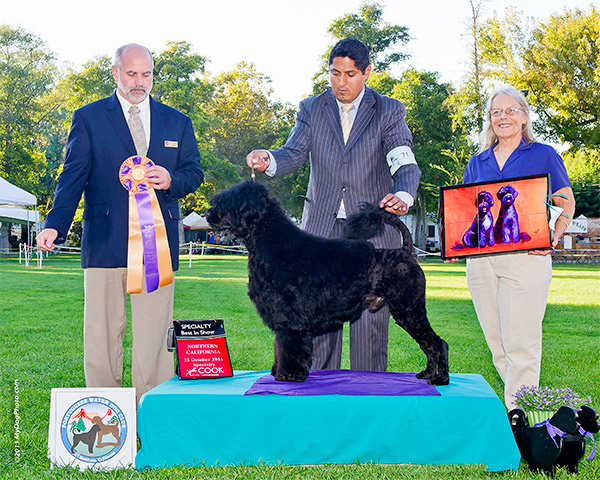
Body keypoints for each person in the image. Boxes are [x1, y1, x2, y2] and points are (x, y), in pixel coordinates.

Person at [37, 44, 203, 401]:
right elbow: (72, 176)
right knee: (101, 332)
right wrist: (55, 223)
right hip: (104, 241)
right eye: (131, 74)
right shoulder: (89, 118)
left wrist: (172, 179)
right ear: (115, 73)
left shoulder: (178, 121)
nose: (139, 82)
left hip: (157, 248)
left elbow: (194, 173)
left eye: (146, 74)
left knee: (156, 335)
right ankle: (104, 410)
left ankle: (153, 411)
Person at [246, 38, 420, 372]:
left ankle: (368, 403)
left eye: (350, 74)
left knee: (369, 329)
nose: (341, 82)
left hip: (370, 230)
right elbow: (293, 152)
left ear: (367, 72)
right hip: (320, 233)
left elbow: (403, 159)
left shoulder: (389, 110)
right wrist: (268, 159)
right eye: (335, 73)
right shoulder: (311, 108)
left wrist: (405, 194)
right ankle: (318, 405)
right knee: (317, 325)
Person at [462, 85, 575, 408]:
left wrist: (555, 232)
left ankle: (521, 420)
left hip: (527, 257)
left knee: (521, 343)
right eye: (497, 112)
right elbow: (467, 209)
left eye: (511, 110)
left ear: (524, 117)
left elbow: (565, 199)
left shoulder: (543, 154)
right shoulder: (478, 161)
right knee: (498, 344)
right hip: (482, 261)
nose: (503, 117)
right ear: (489, 120)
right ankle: (520, 408)